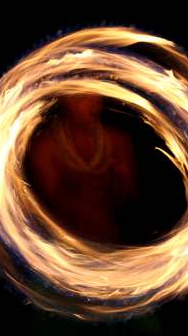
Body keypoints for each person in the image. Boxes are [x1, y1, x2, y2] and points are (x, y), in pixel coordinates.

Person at [26, 95, 140, 244]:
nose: (93, 104)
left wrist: (117, 182)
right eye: (81, 98)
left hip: (112, 243)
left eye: (95, 96)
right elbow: (47, 209)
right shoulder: (45, 148)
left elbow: (130, 199)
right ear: (64, 101)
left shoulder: (118, 142)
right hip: (65, 247)